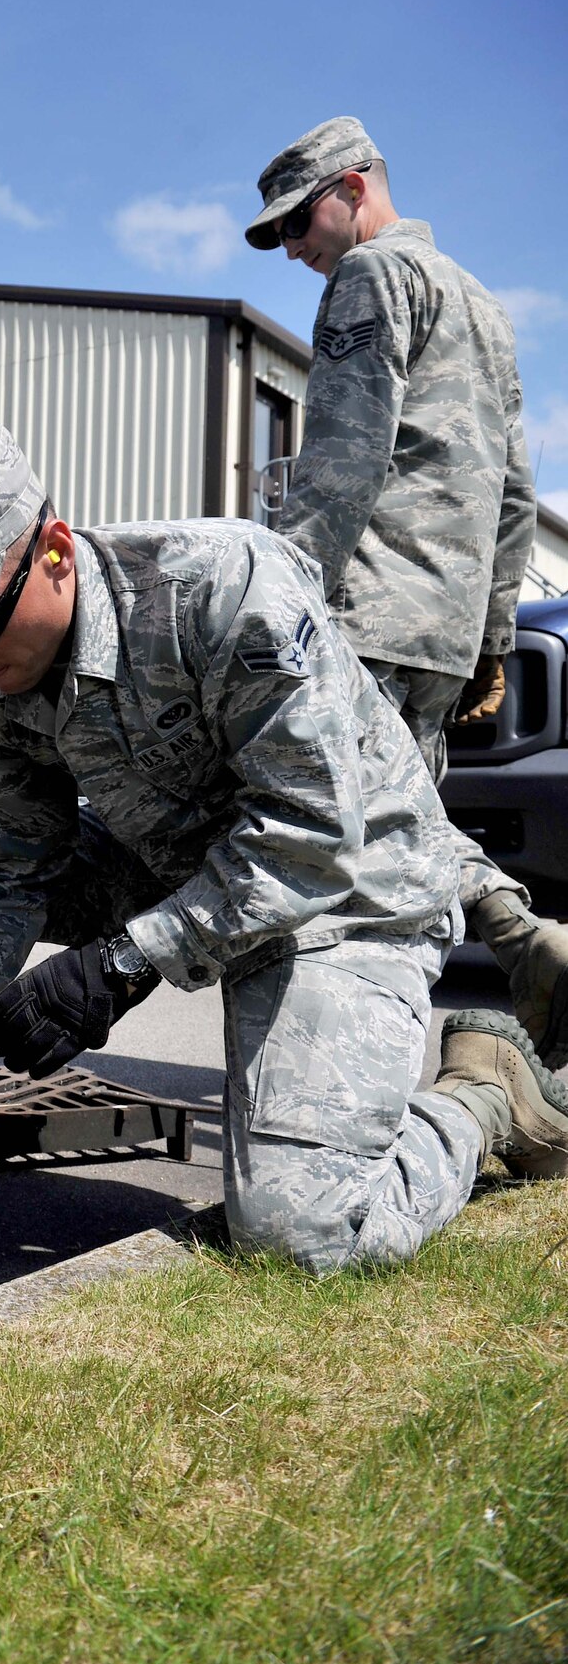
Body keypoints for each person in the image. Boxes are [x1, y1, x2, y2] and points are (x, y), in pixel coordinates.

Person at [0, 424, 568, 1272]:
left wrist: (124, 962)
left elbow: (309, 838)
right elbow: (0, 871)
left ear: (52, 552)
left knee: (303, 1232)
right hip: (176, 868)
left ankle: (483, 1096)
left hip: (349, 897)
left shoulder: (225, 588)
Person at [245, 116, 568, 1067]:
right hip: (440, 629)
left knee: (318, 840)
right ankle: (520, 934)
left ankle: (334, 1076)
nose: (294, 247)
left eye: (298, 220)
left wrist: (282, 594)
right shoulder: (479, 301)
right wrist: (490, 638)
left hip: (364, 612)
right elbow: (515, 490)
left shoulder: (370, 277)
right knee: (401, 818)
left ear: (352, 187)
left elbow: (342, 461)